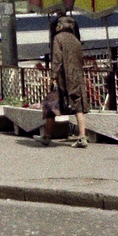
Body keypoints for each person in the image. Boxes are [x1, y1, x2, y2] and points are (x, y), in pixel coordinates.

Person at [42, 13, 90, 148]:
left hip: (63, 78)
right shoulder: (75, 40)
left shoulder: (58, 38)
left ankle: (47, 136)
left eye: (58, 25)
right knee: (78, 107)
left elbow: (57, 59)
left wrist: (53, 77)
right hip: (77, 77)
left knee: (52, 105)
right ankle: (82, 137)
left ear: (61, 26)